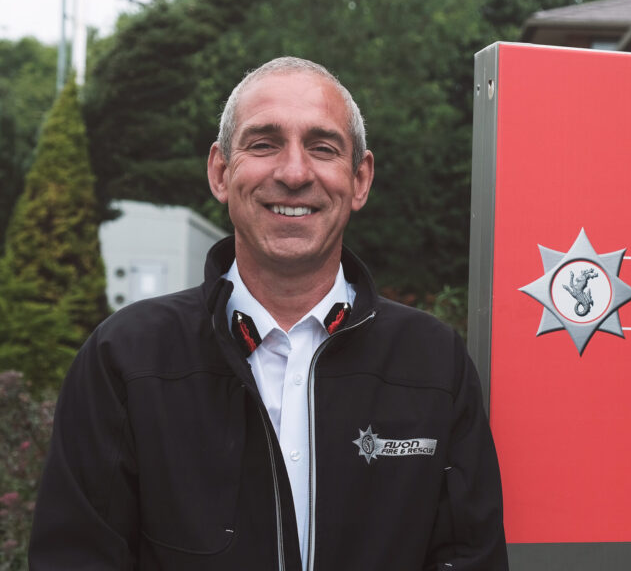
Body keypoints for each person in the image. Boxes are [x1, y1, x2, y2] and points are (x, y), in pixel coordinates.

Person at [29, 57, 508, 570]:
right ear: (220, 171)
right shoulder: (123, 360)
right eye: (264, 144)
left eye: (322, 148)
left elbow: (470, 558)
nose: (295, 173)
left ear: (360, 179)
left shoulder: (433, 363)